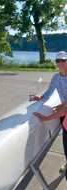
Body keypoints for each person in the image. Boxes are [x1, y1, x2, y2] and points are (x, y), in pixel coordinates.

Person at [33, 51, 67, 180]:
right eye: (58, 61)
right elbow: (49, 92)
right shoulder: (56, 78)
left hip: (64, 110)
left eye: (63, 60)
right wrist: (40, 97)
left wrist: (47, 117)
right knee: (66, 143)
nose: (61, 63)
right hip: (64, 114)